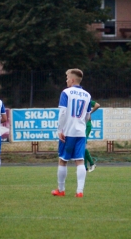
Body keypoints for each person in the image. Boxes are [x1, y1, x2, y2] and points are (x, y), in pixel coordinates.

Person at [51, 68, 91, 198]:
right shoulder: (87, 95)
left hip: (68, 131)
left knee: (63, 160)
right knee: (79, 160)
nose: (66, 80)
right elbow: (87, 116)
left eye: (67, 78)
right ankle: (80, 191)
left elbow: (62, 113)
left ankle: (61, 190)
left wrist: (59, 130)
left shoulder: (66, 92)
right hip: (80, 132)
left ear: (72, 80)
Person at [85, 100, 100, 172]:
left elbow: (97, 105)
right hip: (81, 125)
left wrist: (89, 113)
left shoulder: (85, 100)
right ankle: (85, 167)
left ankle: (91, 164)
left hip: (86, 125)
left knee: (82, 146)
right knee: (82, 147)